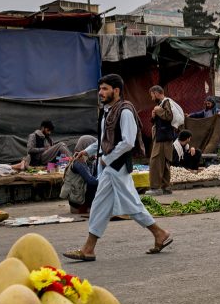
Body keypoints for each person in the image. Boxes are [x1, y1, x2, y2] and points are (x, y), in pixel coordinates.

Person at [63, 74, 172, 261]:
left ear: (116, 91)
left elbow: (128, 142)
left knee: (120, 204)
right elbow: (105, 139)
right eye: (100, 89)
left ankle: (159, 233)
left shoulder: (125, 111)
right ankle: (158, 234)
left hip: (117, 166)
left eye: (105, 89)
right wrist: (87, 152)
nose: (100, 92)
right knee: (106, 205)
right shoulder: (108, 111)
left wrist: (108, 158)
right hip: (111, 167)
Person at [147, 86, 177, 195]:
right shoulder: (161, 104)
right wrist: (153, 116)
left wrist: (158, 110)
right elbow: (159, 120)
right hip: (163, 137)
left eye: (152, 95)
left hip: (163, 138)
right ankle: (166, 187)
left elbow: (169, 116)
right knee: (164, 163)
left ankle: (155, 188)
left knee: (155, 162)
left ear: (156, 93)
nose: (151, 97)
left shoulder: (166, 102)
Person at [62, 135, 99, 214]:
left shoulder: (90, 161)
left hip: (82, 198)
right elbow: (91, 181)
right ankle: (90, 207)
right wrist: (107, 177)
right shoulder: (78, 162)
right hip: (78, 203)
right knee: (96, 182)